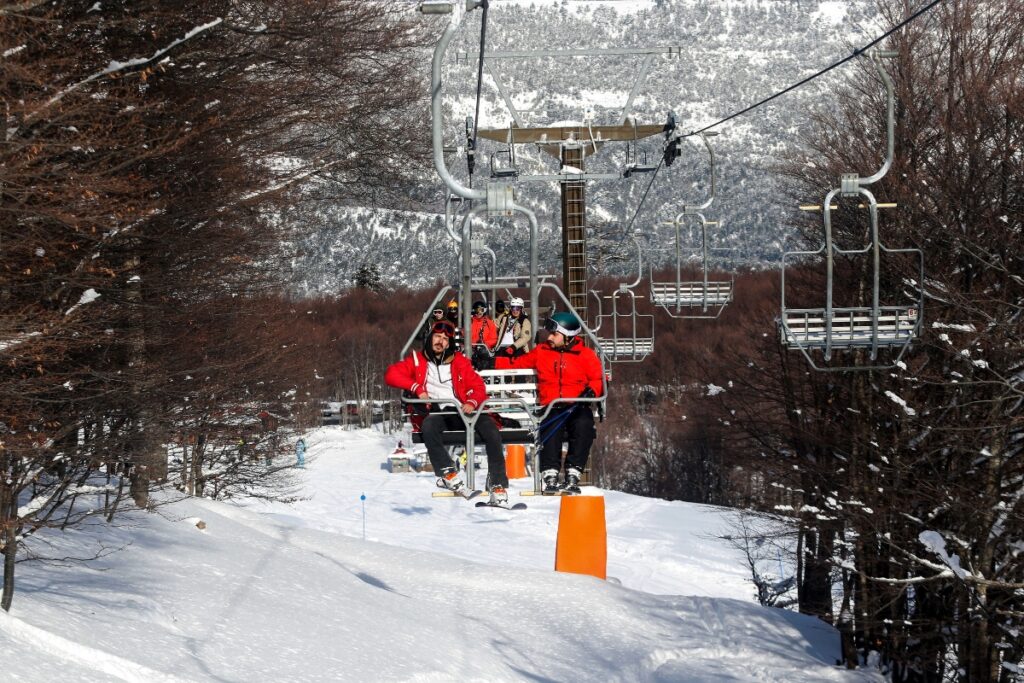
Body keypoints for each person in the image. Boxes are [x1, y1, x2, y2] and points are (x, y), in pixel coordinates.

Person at [384, 319, 509, 502]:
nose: (440, 341)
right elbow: (391, 374)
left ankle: (497, 483)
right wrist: (417, 387)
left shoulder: (459, 362)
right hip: (438, 412)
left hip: (462, 410)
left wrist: (473, 401)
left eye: (444, 339)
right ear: (430, 337)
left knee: (491, 430)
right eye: (437, 336)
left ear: (449, 343)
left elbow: (478, 386)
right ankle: (447, 473)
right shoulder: (417, 360)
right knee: (428, 426)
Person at [511, 312, 603, 494]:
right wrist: (491, 361)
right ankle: (550, 473)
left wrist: (592, 390)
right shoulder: (542, 351)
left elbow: (597, 377)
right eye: (549, 334)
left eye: (554, 334)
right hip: (552, 405)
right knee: (550, 426)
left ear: (568, 337)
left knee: (584, 425)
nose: (550, 337)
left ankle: (573, 473)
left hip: (577, 405)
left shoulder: (585, 355)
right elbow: (517, 363)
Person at [493, 296, 533, 369]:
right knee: (501, 370)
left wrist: (513, 347)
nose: (515, 310)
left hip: (517, 348)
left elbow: (525, 337)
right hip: (501, 348)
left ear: (521, 309)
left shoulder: (524, 321)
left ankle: (520, 380)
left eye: (518, 308)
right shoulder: (503, 318)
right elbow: (493, 326)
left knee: (519, 370)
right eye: (513, 308)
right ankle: (505, 380)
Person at [469, 300, 498, 370]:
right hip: (471, 349)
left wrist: (484, 344)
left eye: (481, 310)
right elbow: (465, 336)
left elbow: (494, 338)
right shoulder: (469, 322)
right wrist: (472, 344)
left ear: (484, 311)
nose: (479, 312)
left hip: (485, 349)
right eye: (477, 310)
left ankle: (484, 375)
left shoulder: (489, 323)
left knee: (483, 353)